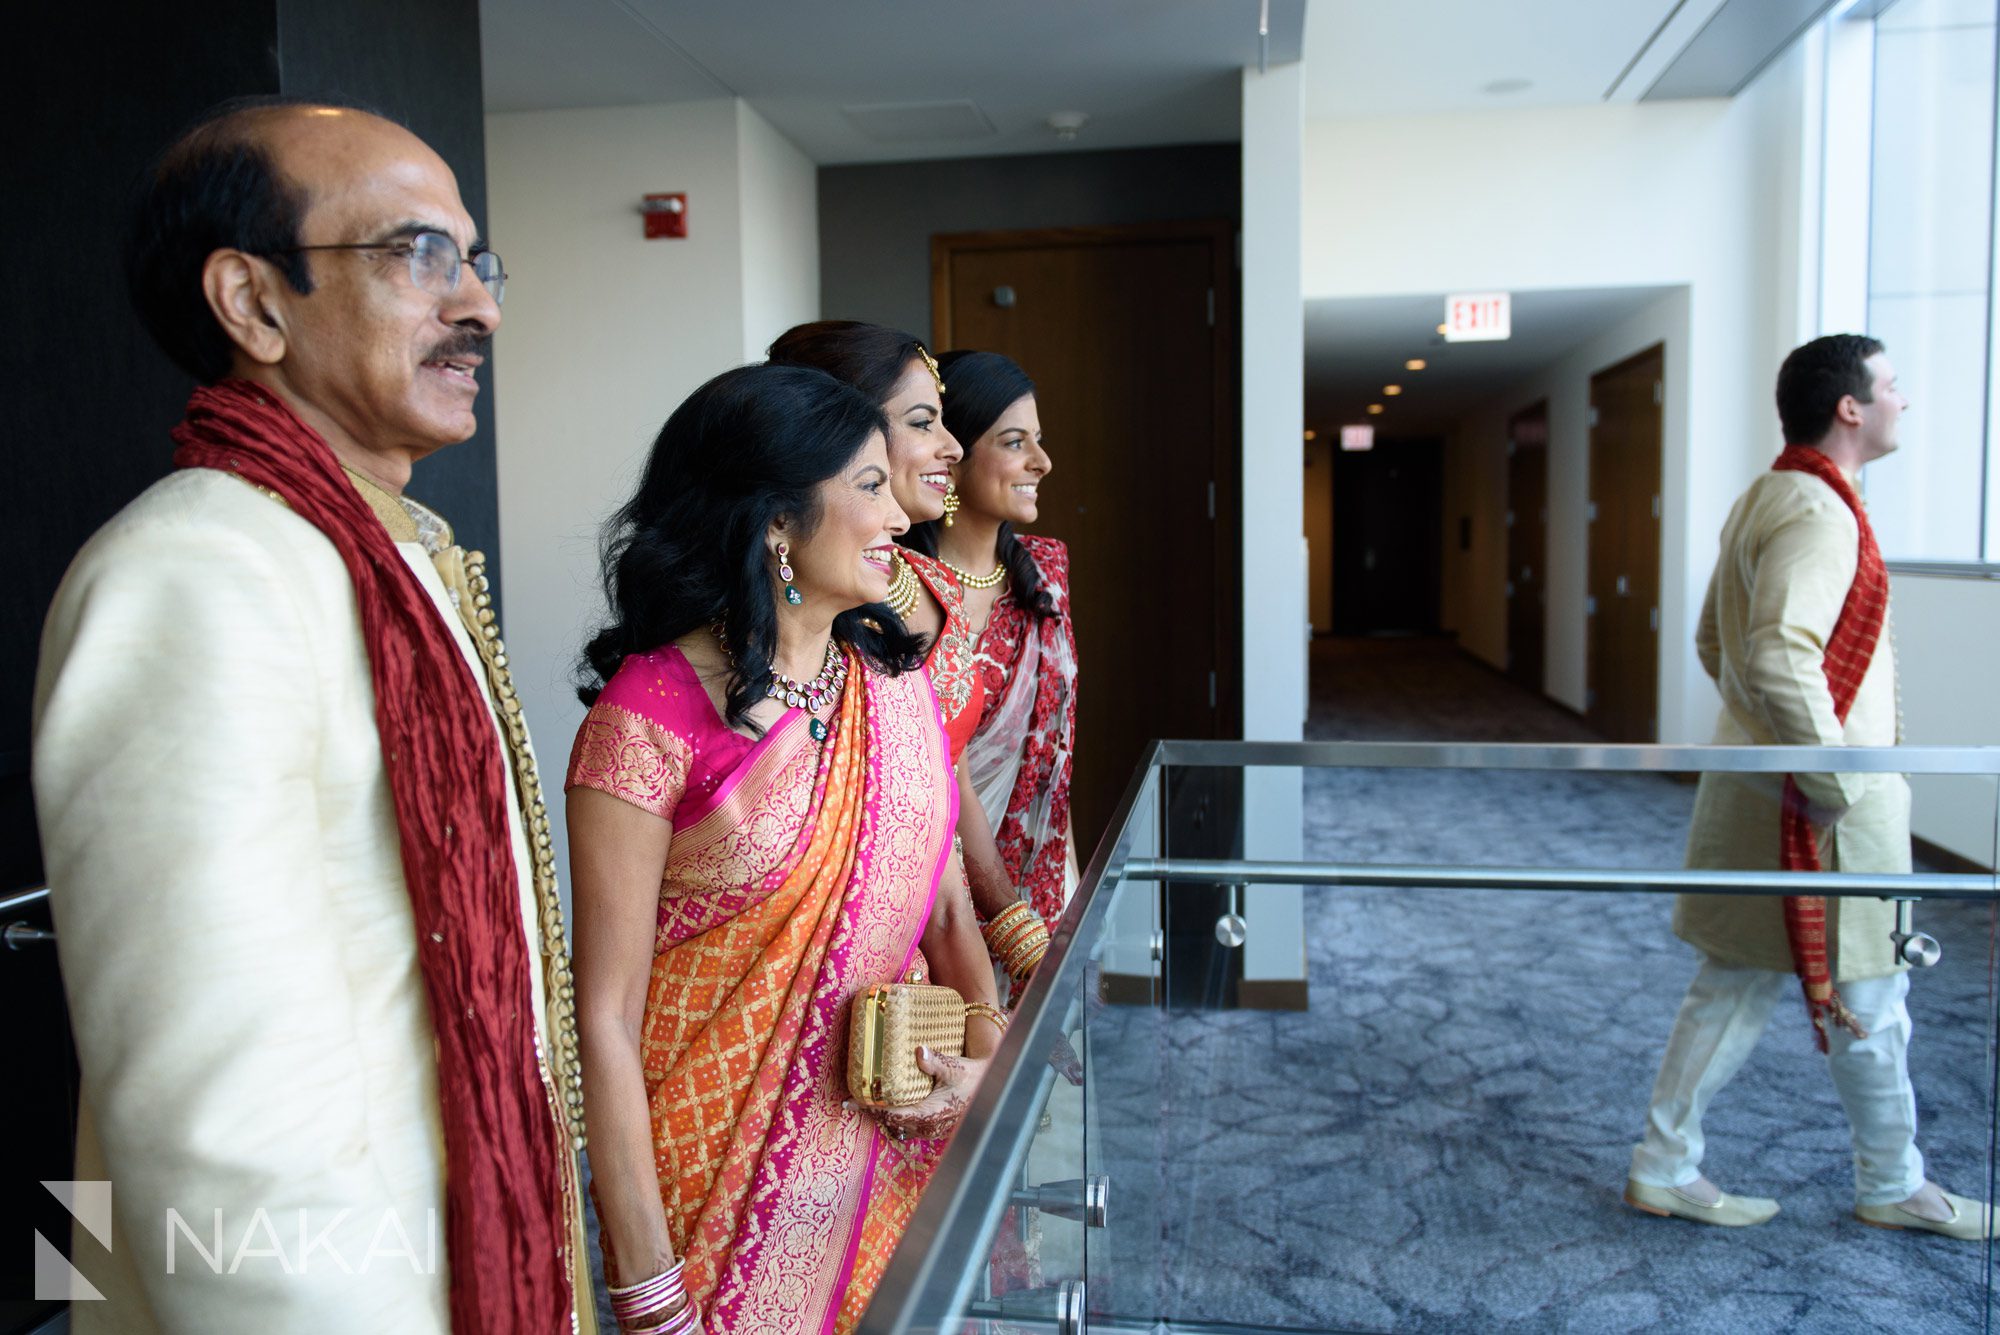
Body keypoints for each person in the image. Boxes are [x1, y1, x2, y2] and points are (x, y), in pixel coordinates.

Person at [33, 98, 592, 1331]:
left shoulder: (373, 553)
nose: (480, 307)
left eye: (476, 259)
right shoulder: (196, 575)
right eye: (416, 255)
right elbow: (219, 1122)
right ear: (253, 303)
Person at [567, 363, 1005, 1334]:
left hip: (885, 1157)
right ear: (774, 519)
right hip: (705, 1187)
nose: (897, 514)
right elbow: (600, 1020)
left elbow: (939, 908)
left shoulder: (889, 689)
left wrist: (986, 1067)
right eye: (866, 485)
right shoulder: (648, 719)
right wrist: (644, 1289)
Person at [1625, 334, 1990, 1240]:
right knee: (1870, 996)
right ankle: (1893, 1181)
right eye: (1893, 386)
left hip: (1770, 786)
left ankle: (1666, 1164)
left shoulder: (1774, 493)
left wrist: (1768, 743)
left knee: (1740, 984)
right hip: (1824, 808)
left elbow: (1716, 642)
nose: (1906, 399)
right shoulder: (1820, 512)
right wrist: (1830, 782)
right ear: (1851, 408)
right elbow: (1776, 650)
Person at [768, 322, 1051, 986]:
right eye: (925, 422)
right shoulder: (814, 613)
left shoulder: (934, 585)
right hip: (835, 968)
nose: (952, 447)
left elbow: (945, 780)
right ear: (838, 429)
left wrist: (1015, 931)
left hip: (937, 955)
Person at [905, 350, 1080, 927]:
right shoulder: (898, 595)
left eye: (1039, 439)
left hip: (1042, 898)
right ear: (952, 455)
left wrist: (1068, 903)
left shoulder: (1046, 573)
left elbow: (1051, 770)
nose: (1043, 462)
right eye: (1014, 442)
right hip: (934, 913)